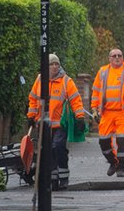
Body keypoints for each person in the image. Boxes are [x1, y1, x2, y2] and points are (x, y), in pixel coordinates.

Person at [27, 53, 86, 190]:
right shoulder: (39, 80)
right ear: (46, 67)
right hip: (44, 124)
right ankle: (53, 179)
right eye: (51, 64)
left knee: (57, 146)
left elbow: (76, 101)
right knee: (47, 152)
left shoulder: (66, 81)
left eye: (56, 64)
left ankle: (63, 177)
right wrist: (31, 116)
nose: (54, 67)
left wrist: (80, 117)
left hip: (60, 124)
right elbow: (33, 99)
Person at [91, 48, 124, 177]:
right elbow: (96, 91)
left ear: (123, 57)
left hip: (123, 113)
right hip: (106, 112)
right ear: (109, 58)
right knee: (103, 141)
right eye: (114, 56)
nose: (117, 58)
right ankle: (113, 162)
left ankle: (121, 168)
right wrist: (94, 109)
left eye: (119, 55)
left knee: (122, 141)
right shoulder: (103, 72)